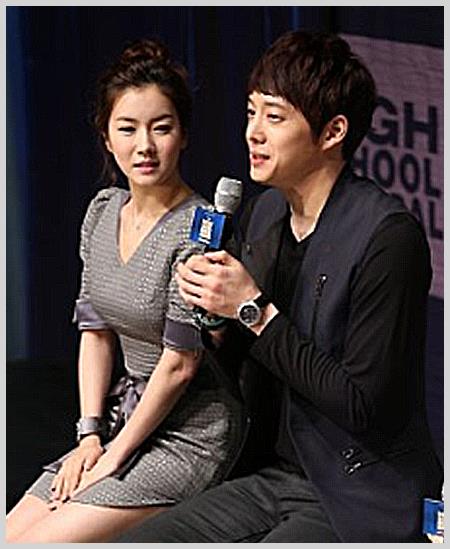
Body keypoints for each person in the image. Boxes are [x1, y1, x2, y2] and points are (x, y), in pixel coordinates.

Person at [114, 30, 443, 543]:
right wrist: (215, 322)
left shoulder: (388, 238)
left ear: (333, 132)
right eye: (251, 113)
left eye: (275, 117)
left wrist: (251, 309)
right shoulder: (265, 214)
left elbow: (362, 405)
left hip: (356, 491)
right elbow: (250, 367)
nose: (254, 133)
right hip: (271, 474)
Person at [6, 38, 244, 543]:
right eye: (128, 128)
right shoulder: (102, 211)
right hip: (123, 420)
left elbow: (180, 365)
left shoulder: (198, 231)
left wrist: (113, 457)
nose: (145, 146)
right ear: (107, 136)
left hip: (188, 433)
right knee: (12, 533)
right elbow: (95, 334)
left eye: (162, 128)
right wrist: (90, 434)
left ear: (184, 135)